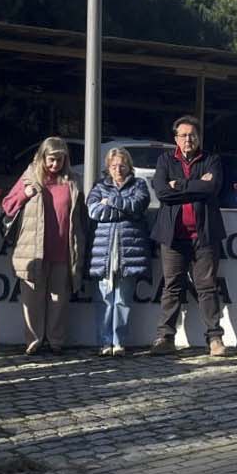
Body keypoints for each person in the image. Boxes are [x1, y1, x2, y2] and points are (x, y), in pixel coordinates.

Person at [149, 116, 229, 357]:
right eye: (183, 135)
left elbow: (212, 188)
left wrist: (179, 185)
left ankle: (214, 338)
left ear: (199, 137)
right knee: (171, 286)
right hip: (173, 237)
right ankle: (165, 338)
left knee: (207, 287)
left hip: (204, 236)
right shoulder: (165, 160)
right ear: (175, 139)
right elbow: (162, 192)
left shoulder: (211, 160)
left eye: (192, 135)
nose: (188, 139)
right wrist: (195, 186)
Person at [1, 137, 88, 356]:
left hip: (64, 249)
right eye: (51, 159)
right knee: (33, 299)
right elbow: (8, 205)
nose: (55, 165)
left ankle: (56, 341)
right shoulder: (30, 178)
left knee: (59, 299)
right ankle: (34, 341)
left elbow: (81, 217)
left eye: (60, 160)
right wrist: (24, 194)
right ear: (42, 157)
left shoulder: (73, 181)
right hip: (34, 250)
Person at [85, 147, 152, 356]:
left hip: (129, 254)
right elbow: (94, 210)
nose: (118, 169)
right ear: (108, 167)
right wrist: (123, 209)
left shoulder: (139, 184)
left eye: (122, 165)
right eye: (114, 166)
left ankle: (119, 342)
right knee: (104, 300)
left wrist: (111, 201)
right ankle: (105, 343)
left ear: (129, 166)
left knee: (123, 301)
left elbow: (138, 205)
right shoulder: (99, 185)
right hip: (103, 253)